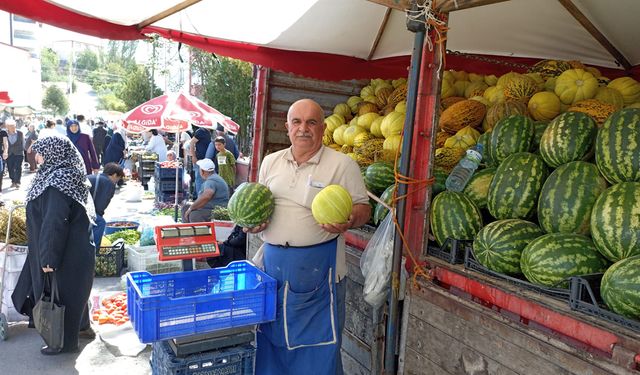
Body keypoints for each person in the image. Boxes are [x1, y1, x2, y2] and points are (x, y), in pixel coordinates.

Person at [248, 99, 370, 375]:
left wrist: (351, 219)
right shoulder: (270, 162)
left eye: (311, 122)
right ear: (287, 127)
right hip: (273, 272)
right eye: (297, 122)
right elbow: (259, 205)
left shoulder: (342, 164)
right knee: (272, 344)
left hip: (319, 275)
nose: (304, 128)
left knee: (317, 353)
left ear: (323, 127)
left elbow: (363, 208)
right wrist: (254, 224)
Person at [12, 136, 96, 355]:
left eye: (40, 153)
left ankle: (62, 343)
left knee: (61, 296)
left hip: (63, 251)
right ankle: (83, 328)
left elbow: (54, 222)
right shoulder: (69, 174)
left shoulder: (56, 183)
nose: (37, 158)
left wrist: (48, 259)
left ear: (54, 153)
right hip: (77, 249)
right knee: (75, 291)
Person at [88, 162, 124, 251]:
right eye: (118, 178)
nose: (117, 181)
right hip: (81, 210)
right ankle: (93, 253)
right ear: (115, 175)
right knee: (100, 222)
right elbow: (101, 205)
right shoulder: (109, 183)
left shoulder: (94, 177)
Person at [181, 158, 229, 223]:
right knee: (185, 208)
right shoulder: (214, 178)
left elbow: (207, 196)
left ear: (202, 171)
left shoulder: (211, 181)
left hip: (216, 210)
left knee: (194, 215)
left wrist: (191, 208)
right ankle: (187, 231)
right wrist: (191, 206)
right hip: (210, 208)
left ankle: (200, 232)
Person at [189, 127, 211, 199]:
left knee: (199, 179)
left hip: (204, 160)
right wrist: (193, 156)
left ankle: (195, 196)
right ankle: (200, 198)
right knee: (199, 179)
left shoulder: (208, 132)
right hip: (199, 160)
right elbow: (192, 142)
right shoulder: (201, 131)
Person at [5, 119, 25, 188]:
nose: (13, 127)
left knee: (18, 167)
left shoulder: (20, 133)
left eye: (14, 126)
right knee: (10, 168)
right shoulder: (4, 134)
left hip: (18, 153)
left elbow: (23, 143)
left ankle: (17, 182)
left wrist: (23, 151)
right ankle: (13, 181)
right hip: (9, 153)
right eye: (11, 126)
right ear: (7, 127)